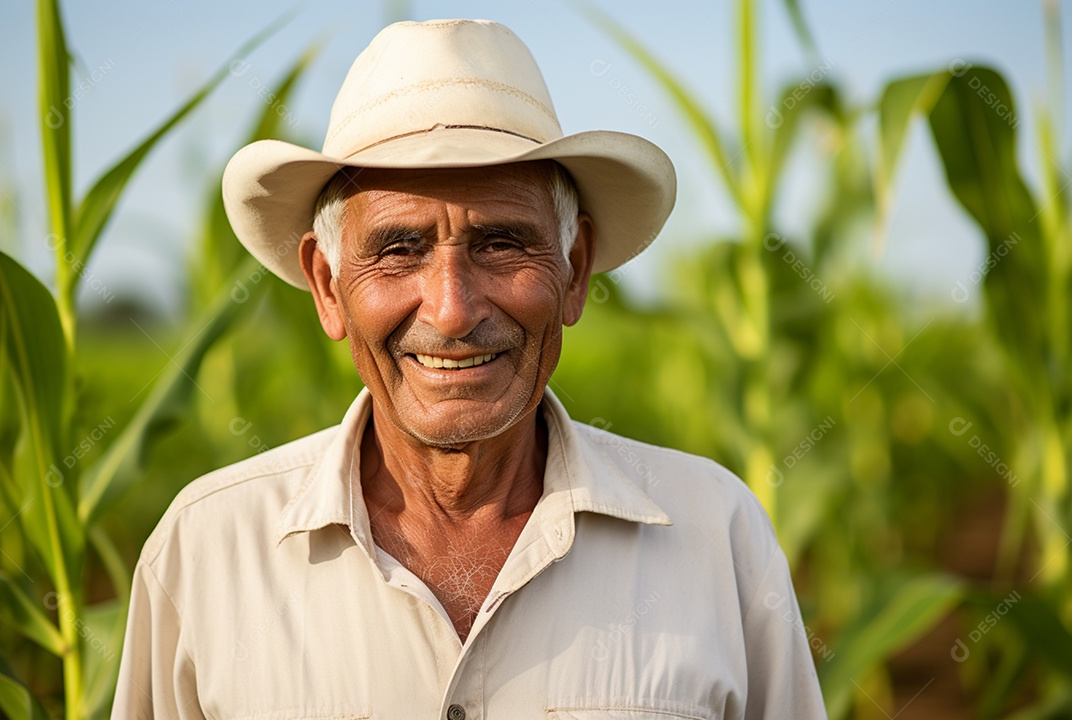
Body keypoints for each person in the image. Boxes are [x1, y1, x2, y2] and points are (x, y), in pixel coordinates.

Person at [111, 18, 827, 720]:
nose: (451, 311)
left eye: (501, 243)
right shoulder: (204, 554)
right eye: (399, 249)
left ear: (574, 272)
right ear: (328, 286)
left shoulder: (715, 536)